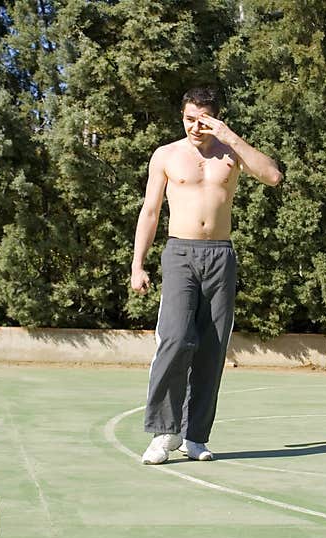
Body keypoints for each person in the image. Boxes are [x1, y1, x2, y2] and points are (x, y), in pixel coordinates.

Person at [130, 86, 283, 465]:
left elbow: (273, 176)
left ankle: (195, 436)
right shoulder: (166, 155)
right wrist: (138, 264)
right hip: (180, 253)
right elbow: (150, 211)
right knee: (176, 341)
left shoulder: (230, 153)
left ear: (214, 117)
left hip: (220, 255)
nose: (194, 127)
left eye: (202, 120)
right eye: (188, 119)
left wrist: (229, 135)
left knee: (213, 350)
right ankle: (164, 433)